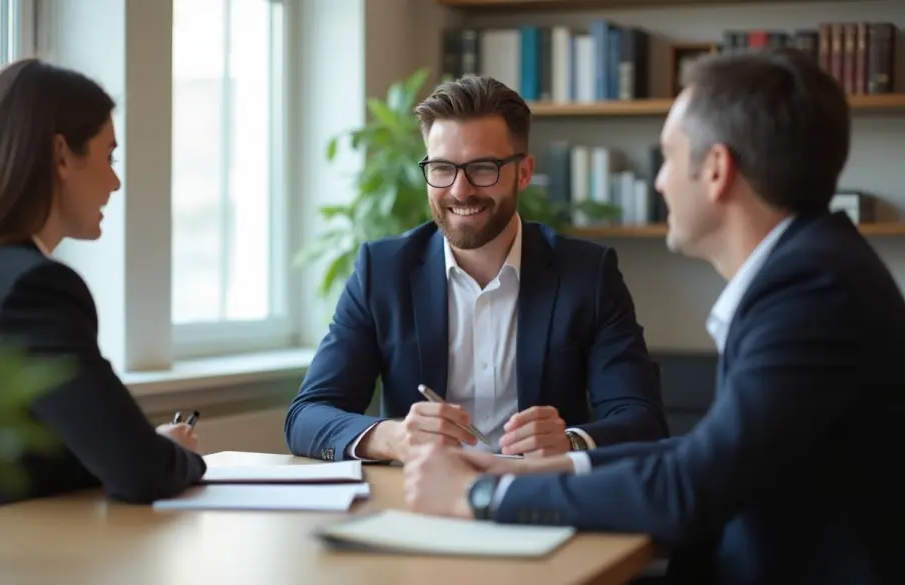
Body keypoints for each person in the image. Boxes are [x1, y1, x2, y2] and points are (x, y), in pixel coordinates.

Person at [400, 49, 900, 584]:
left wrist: (481, 493)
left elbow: (690, 488)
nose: (659, 182)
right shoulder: (814, 268)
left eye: (666, 157)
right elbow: (710, 453)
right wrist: (539, 466)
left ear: (715, 170)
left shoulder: (810, 293)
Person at [284, 75, 668, 464]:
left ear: (523, 172)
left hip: (539, 499)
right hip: (418, 500)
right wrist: (394, 437)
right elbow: (306, 416)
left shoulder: (588, 274)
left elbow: (643, 420)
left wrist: (571, 443)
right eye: (442, 168)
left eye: (483, 168)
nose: (460, 190)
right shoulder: (382, 271)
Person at [0, 58, 206, 507]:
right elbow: (142, 473)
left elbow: (24, 464)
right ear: (60, 156)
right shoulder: (36, 288)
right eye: (108, 156)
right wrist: (179, 453)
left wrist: (146, 446)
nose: (115, 181)